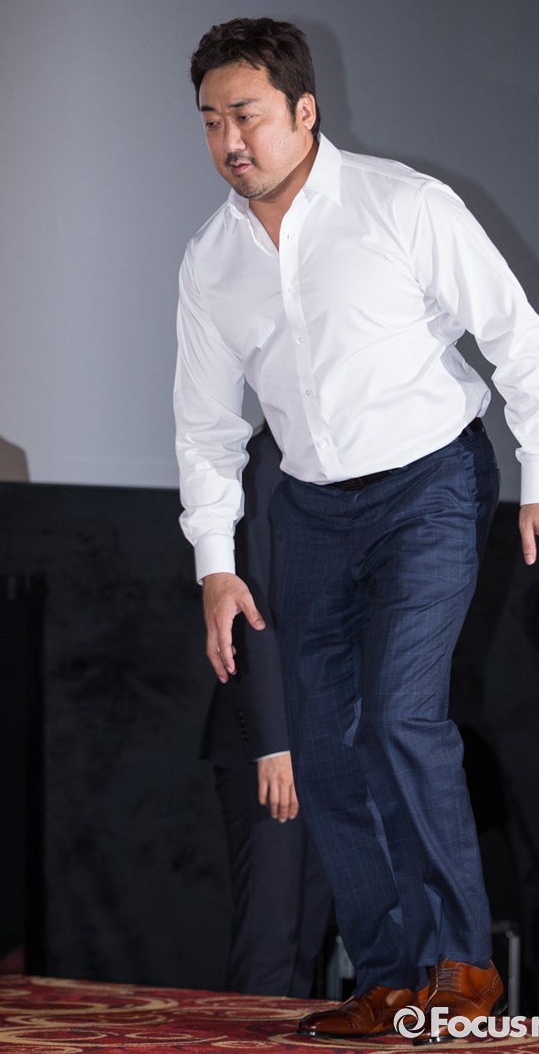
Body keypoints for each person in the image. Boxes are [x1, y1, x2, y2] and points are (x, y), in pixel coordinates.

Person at [174, 17, 539, 1043]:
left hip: (428, 487)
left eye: (248, 115)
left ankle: (462, 967)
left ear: (305, 111)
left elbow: (516, 335)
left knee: (400, 714)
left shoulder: (403, 205)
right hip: (311, 508)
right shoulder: (211, 261)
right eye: (211, 121)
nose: (230, 141)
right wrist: (216, 563)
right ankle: (392, 980)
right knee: (323, 749)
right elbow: (206, 427)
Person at [201, 423, 333, 997]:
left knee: (306, 940)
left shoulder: (354, 449)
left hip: (330, 741)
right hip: (272, 745)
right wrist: (277, 745)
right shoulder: (267, 455)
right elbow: (251, 609)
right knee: (270, 944)